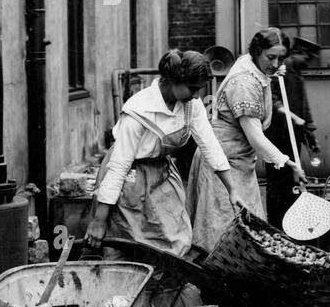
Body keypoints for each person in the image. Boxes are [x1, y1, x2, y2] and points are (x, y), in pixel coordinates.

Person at [86, 50, 242, 258]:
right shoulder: (138, 110)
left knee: (176, 239)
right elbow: (118, 167)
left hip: (161, 173)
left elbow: (210, 146)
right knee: (128, 240)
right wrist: (99, 220)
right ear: (172, 80)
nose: (196, 95)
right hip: (129, 178)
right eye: (193, 88)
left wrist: (232, 189)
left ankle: (162, 289)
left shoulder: (191, 106)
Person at [186, 28, 305, 255]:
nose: (276, 63)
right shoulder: (244, 84)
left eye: (281, 58)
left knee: (245, 231)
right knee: (221, 235)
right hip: (222, 164)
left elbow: (262, 71)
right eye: (271, 57)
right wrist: (288, 162)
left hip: (240, 163)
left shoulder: (252, 66)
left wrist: (270, 72)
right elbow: (255, 136)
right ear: (257, 52)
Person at [263, 35, 321, 226]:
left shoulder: (297, 72)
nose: (309, 64)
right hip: (277, 138)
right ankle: (277, 224)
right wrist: (294, 118)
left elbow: (304, 106)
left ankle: (290, 222)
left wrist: (310, 135)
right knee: (278, 182)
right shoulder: (281, 69)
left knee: (291, 182)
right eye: (308, 59)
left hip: (293, 137)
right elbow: (273, 100)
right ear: (299, 53)